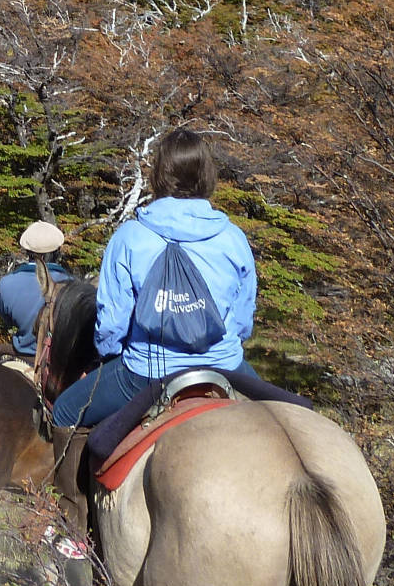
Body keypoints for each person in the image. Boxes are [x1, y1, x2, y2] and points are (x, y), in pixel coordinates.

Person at [49, 128, 257, 429]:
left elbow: (112, 325)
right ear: (207, 175)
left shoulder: (129, 237)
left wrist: (109, 353)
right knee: (284, 419)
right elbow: (241, 321)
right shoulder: (233, 238)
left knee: (65, 410)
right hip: (224, 368)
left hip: (145, 373)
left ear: (159, 174)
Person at [0, 220, 74, 359]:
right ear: (57, 251)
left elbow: (6, 319)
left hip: (22, 354)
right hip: (59, 358)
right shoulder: (71, 284)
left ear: (27, 251)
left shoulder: (6, 283)